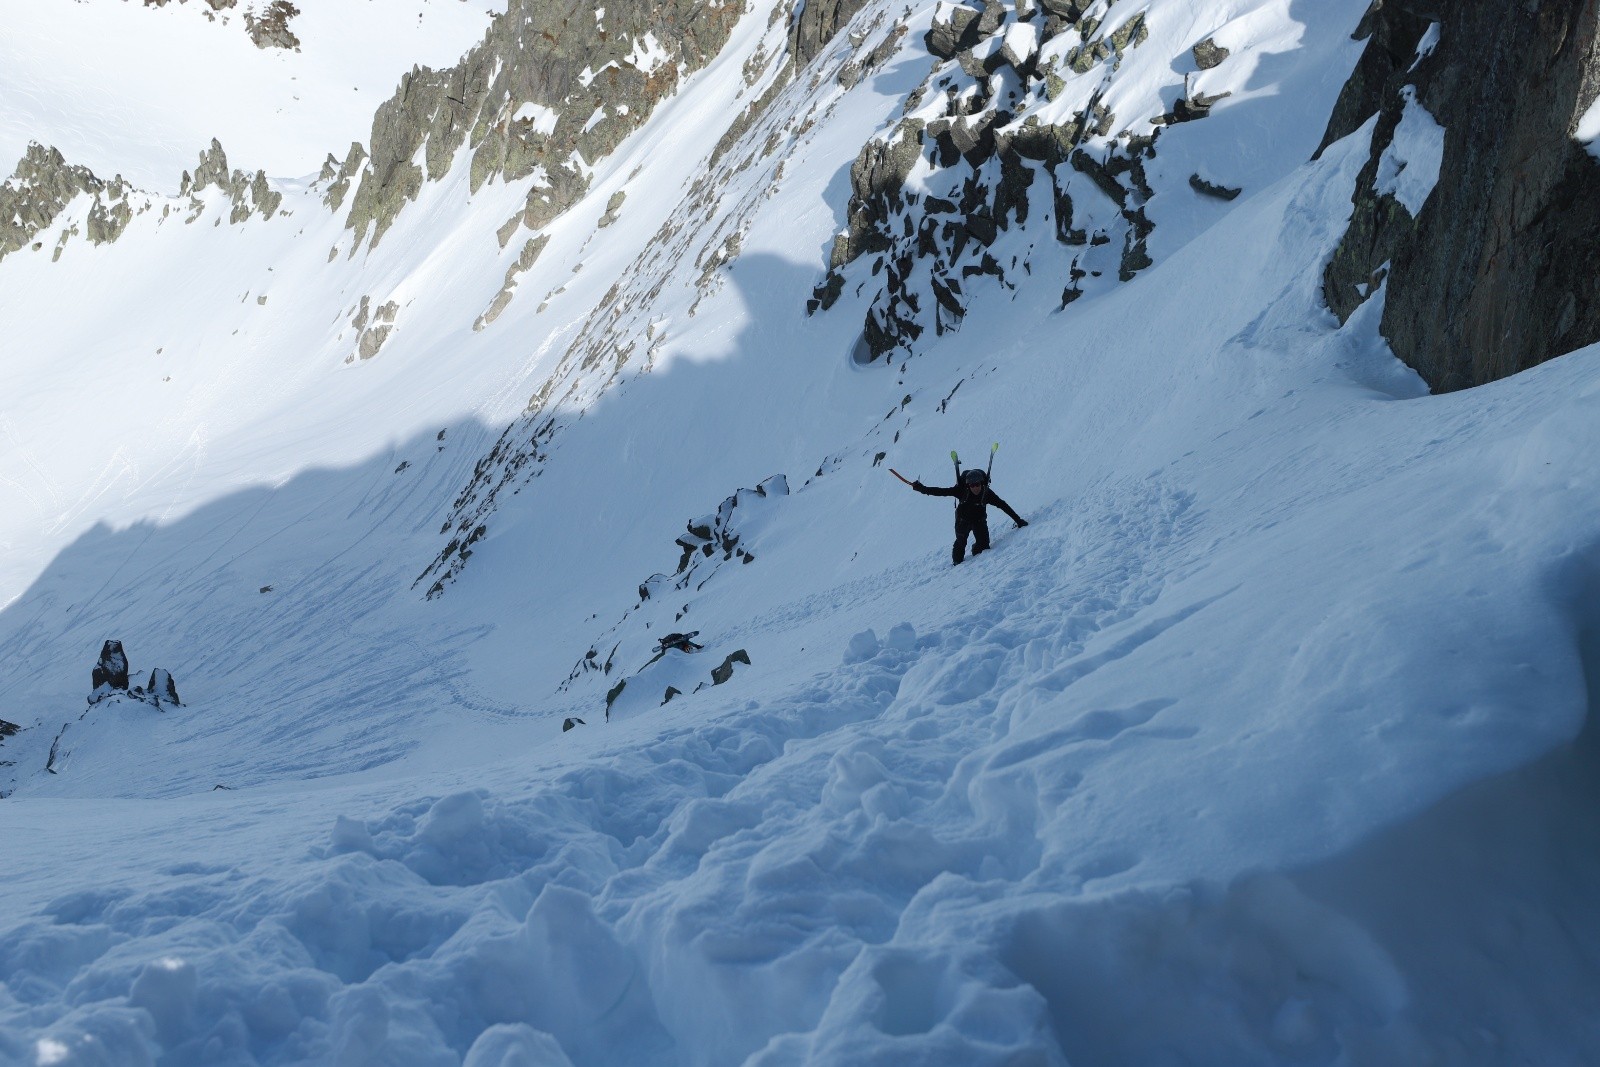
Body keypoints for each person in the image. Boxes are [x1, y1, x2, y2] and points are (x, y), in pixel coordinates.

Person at [911, 469, 1028, 564]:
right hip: (963, 520)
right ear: (968, 486)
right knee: (961, 543)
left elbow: (1003, 505)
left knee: (983, 547)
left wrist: (1018, 520)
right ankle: (956, 564)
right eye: (972, 485)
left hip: (979, 520)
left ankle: (976, 550)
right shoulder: (961, 491)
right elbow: (941, 491)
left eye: (977, 484)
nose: (975, 487)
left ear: (982, 483)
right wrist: (922, 488)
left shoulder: (987, 493)